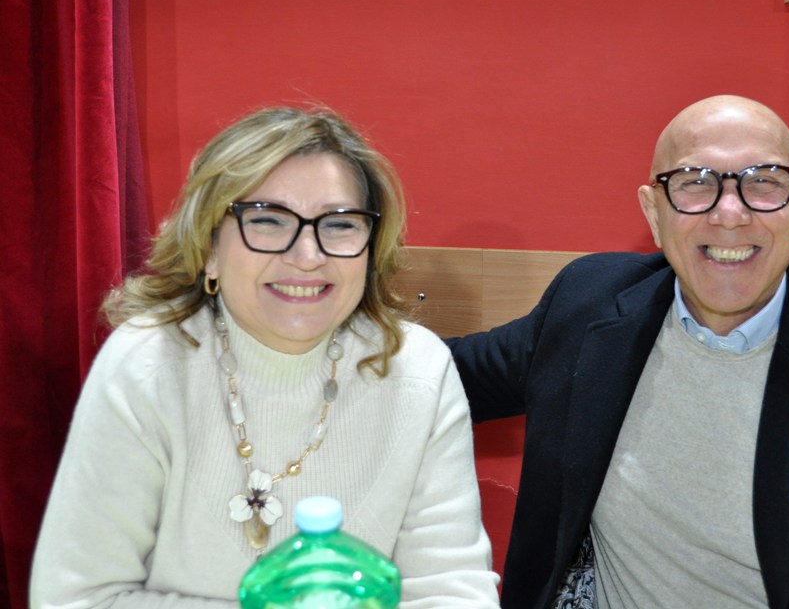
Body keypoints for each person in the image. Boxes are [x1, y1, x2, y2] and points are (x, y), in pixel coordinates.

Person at [447, 95, 789, 608]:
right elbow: (439, 375)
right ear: (652, 211)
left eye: (764, 181)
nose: (730, 213)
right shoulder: (588, 305)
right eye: (694, 183)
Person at [31, 107, 501, 607]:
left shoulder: (418, 370)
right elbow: (75, 598)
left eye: (339, 225)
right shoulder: (145, 365)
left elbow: (454, 593)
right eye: (268, 220)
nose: (308, 255)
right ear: (208, 248)